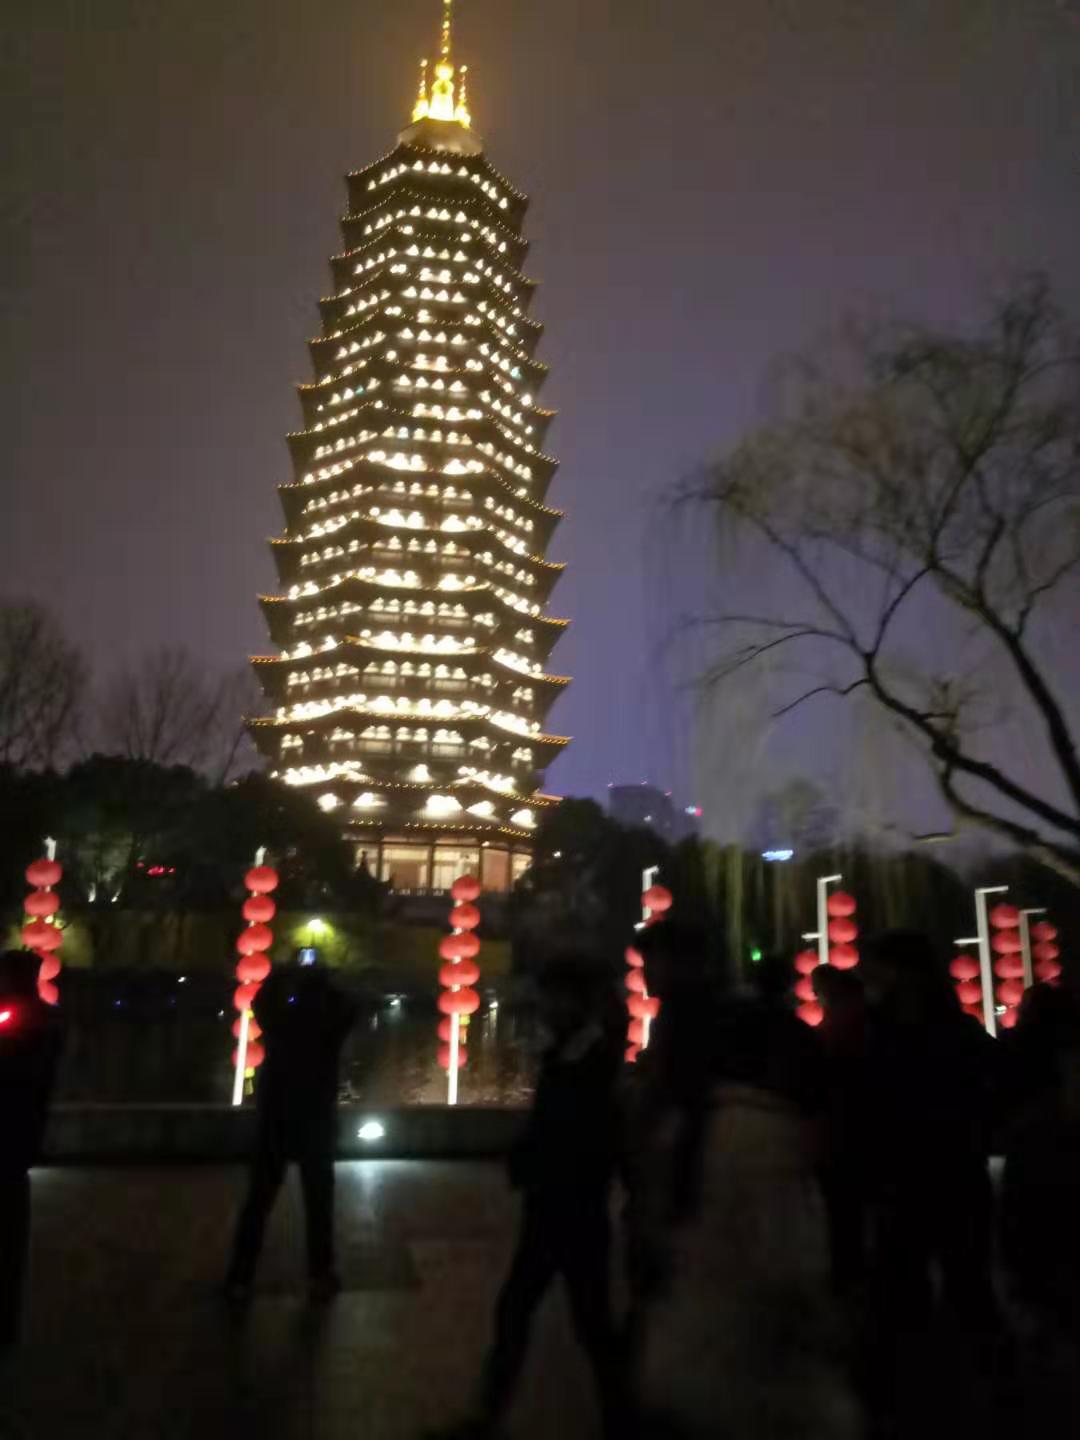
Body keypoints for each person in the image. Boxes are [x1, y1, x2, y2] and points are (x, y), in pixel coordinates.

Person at [442, 957, 629, 1439]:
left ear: (575, 1000)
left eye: (552, 996)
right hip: (557, 1204)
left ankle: (493, 1417)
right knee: (564, 1316)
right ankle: (613, 1415)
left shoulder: (590, 1060)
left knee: (559, 1315)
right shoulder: (572, 1053)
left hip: (569, 1205)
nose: (545, 1006)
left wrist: (534, 1159)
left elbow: (582, 1131)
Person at [861, 931, 998, 1330]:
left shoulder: (881, 1034)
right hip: (949, 1171)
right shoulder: (958, 1032)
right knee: (961, 1284)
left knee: (920, 1287)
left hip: (914, 1175)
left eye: (878, 969)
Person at [225, 959, 356, 1304]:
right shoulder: (328, 1029)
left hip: (276, 1122)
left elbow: (260, 1002)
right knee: (319, 1204)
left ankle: (240, 1276)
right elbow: (352, 1007)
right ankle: (320, 1273)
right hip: (316, 1123)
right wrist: (329, 982)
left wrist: (281, 975)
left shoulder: (281, 1024)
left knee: (258, 1202)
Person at [0, 949, 63, 1350]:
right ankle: (7, 1322)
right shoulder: (47, 1021)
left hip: (8, 1141)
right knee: (11, 1239)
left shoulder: (18, 1022)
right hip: (22, 1143)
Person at [811, 964, 870, 1297]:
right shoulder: (860, 1022)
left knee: (843, 1208)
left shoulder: (839, 1027)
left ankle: (848, 1274)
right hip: (853, 1127)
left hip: (844, 1128)